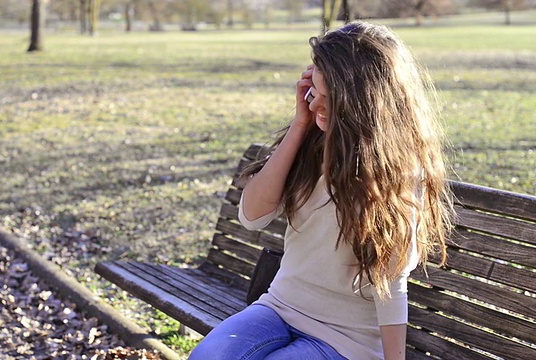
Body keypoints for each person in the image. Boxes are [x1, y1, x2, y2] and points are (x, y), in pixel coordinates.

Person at [189, 21, 454, 360]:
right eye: (314, 91)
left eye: (330, 99)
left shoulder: (396, 172)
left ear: (364, 103)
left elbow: (391, 282)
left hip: (347, 338)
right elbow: (252, 217)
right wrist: (299, 126)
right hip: (279, 308)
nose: (315, 106)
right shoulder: (309, 139)